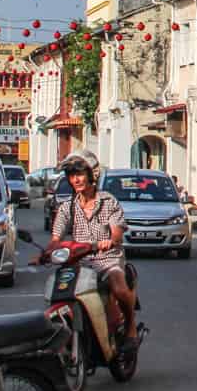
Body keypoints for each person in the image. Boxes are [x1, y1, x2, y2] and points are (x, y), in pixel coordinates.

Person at [47, 150, 137, 350]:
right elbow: (56, 236)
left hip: (108, 259)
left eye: (79, 174)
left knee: (119, 286)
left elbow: (117, 232)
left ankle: (130, 328)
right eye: (72, 175)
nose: (75, 179)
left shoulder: (108, 202)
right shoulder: (67, 207)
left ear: (91, 175)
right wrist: (46, 253)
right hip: (80, 261)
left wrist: (110, 241)